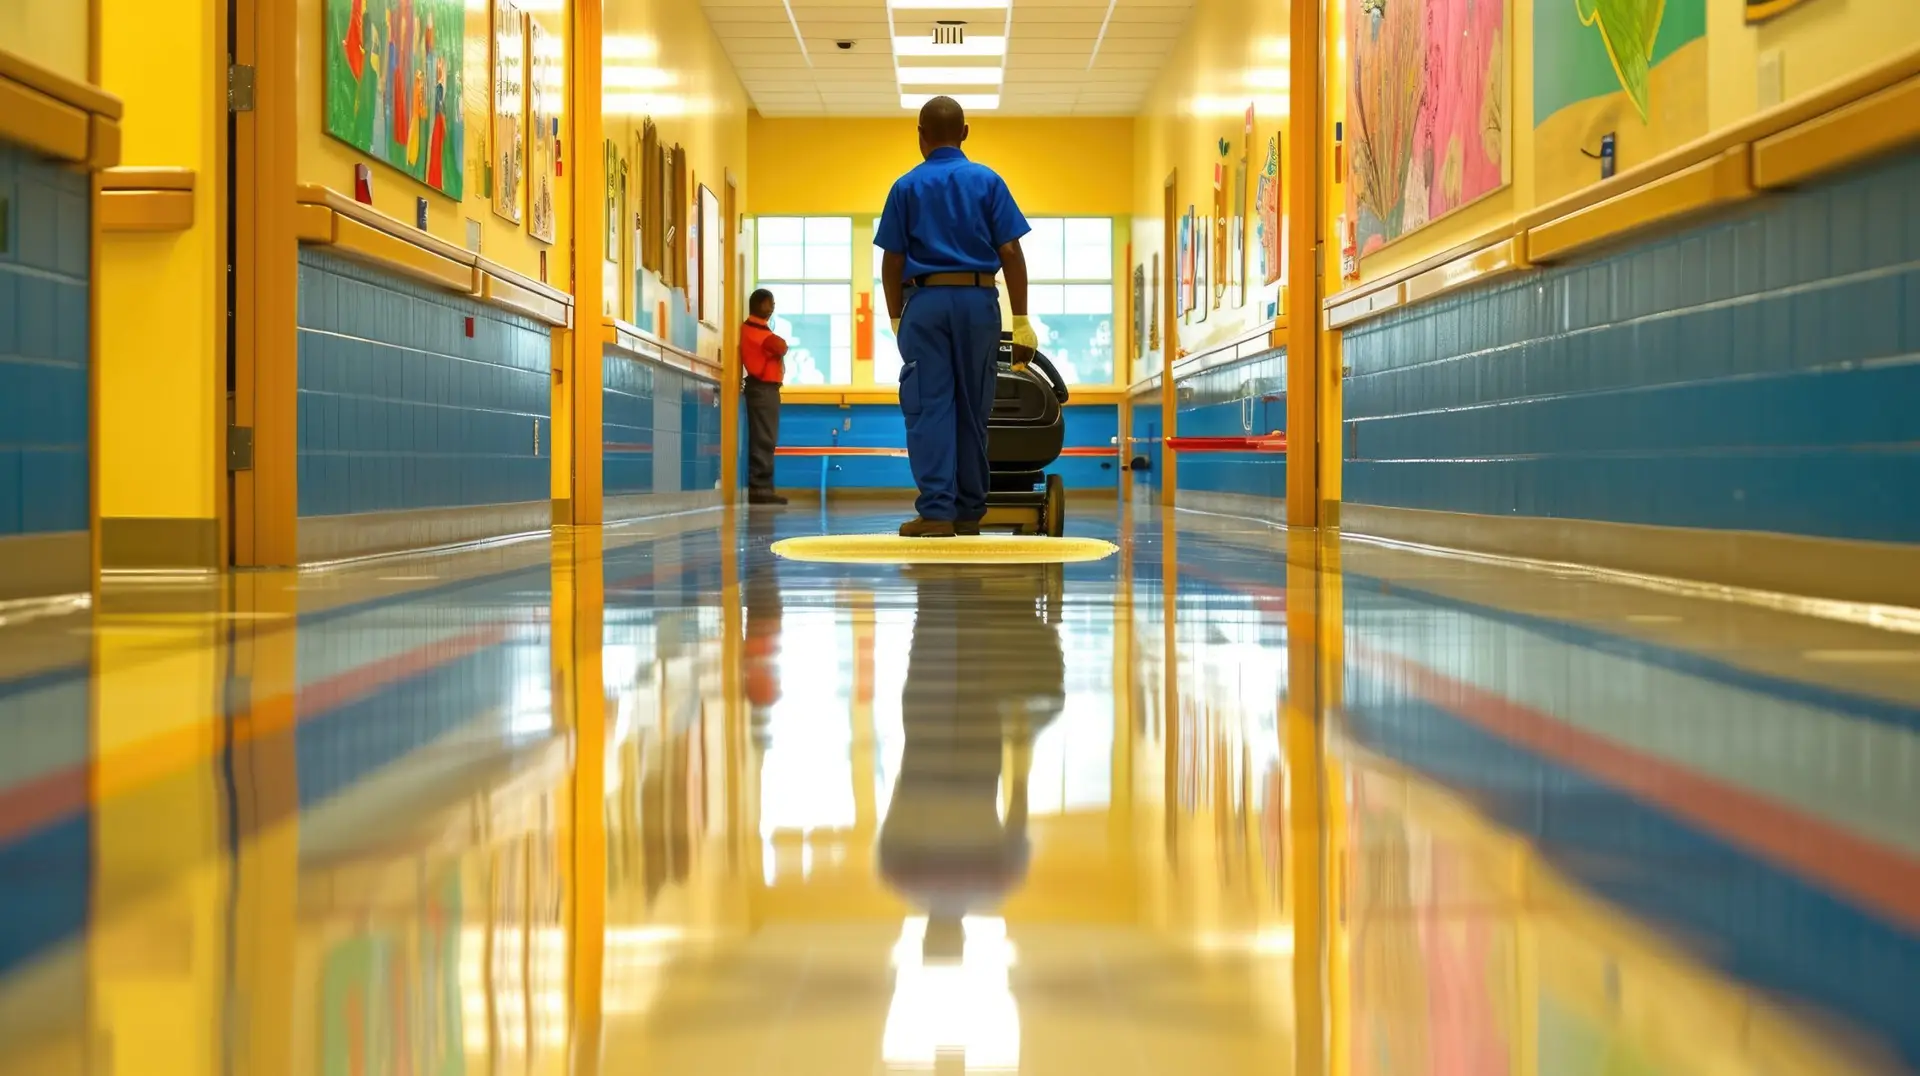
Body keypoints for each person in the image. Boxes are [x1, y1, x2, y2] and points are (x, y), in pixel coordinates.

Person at [876, 96, 1037, 538]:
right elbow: (1010, 251)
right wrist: (1020, 318)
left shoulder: (905, 187)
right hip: (978, 301)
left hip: (925, 305)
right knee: (974, 405)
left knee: (930, 407)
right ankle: (969, 511)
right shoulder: (987, 181)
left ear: (920, 136)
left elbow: (893, 260)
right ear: (965, 133)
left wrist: (895, 317)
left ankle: (937, 513)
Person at [740, 288, 789, 506]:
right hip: (762, 389)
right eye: (769, 304)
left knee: (766, 438)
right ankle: (760, 489)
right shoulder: (753, 330)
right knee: (764, 439)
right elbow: (779, 345)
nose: (772, 308)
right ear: (759, 305)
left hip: (765, 390)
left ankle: (763, 487)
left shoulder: (759, 330)